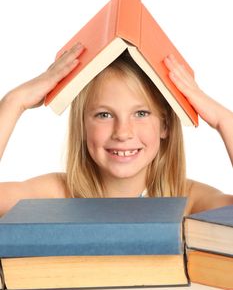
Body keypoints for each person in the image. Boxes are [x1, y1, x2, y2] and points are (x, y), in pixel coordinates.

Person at [0, 42, 232, 217]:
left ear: (166, 124)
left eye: (141, 113)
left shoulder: (189, 201)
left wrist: (223, 119)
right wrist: (13, 102)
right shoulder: (57, 195)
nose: (122, 133)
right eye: (104, 115)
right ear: (81, 125)